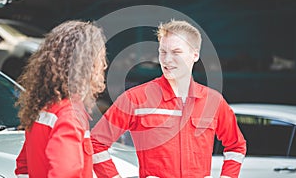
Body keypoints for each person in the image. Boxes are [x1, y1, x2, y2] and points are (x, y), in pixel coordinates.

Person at [91, 20, 246, 178]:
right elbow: (96, 144)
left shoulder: (213, 102)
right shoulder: (136, 99)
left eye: (176, 52)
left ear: (195, 54)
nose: (167, 60)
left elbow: (236, 146)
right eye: (163, 52)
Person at [14, 20, 107, 178]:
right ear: (88, 64)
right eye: (100, 58)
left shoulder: (43, 108)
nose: (103, 65)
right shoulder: (70, 115)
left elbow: (23, 167)